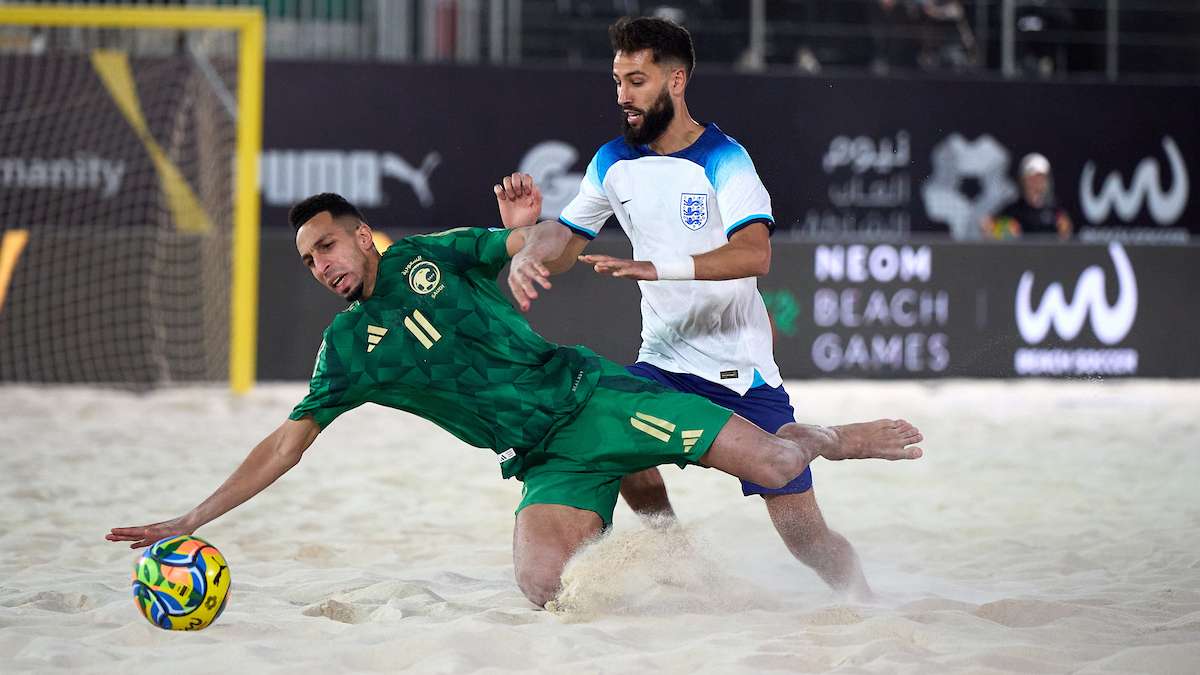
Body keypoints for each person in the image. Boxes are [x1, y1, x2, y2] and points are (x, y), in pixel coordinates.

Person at [107, 193, 924, 608]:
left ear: (362, 236)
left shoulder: (428, 257)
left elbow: (527, 242)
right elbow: (285, 443)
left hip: (591, 397)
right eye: (306, 259)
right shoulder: (346, 353)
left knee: (779, 458)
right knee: (541, 593)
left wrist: (529, 238)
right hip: (541, 460)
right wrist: (192, 518)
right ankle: (658, 533)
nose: (319, 264)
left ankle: (829, 434)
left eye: (326, 244)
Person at [494, 16, 882, 600]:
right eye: (618, 80)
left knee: (807, 539)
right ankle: (670, 542)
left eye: (637, 80)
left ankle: (866, 600)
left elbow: (756, 255)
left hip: (742, 375)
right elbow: (566, 242)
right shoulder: (612, 161)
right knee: (608, 421)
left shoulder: (726, 159)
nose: (623, 94)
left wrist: (659, 268)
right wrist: (526, 244)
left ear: (676, 81)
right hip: (662, 363)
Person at [981, 152, 1073, 240]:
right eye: (1032, 177)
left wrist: (1065, 230)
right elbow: (987, 226)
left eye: (1040, 177)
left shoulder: (1055, 210)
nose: (1036, 182)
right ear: (1023, 180)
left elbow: (1065, 235)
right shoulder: (1012, 210)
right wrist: (1004, 231)